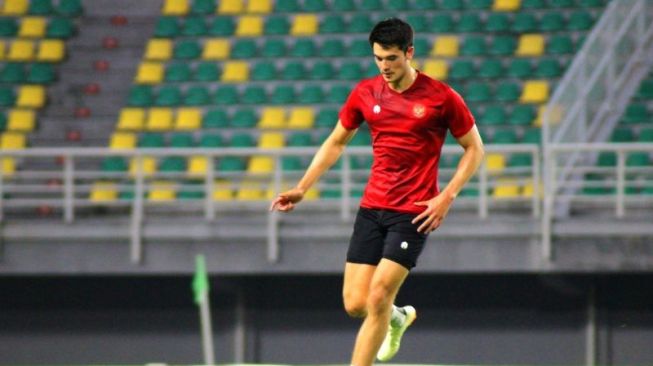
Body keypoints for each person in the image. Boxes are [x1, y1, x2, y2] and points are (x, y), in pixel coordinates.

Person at [270, 18, 484, 366]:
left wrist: (447, 196)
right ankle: (397, 318)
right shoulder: (365, 93)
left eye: (392, 58)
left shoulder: (441, 97)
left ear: (409, 53)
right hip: (372, 208)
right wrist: (302, 187)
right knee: (356, 304)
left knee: (380, 294)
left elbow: (475, 149)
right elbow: (336, 141)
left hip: (414, 212)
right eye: (379, 58)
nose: (385, 66)